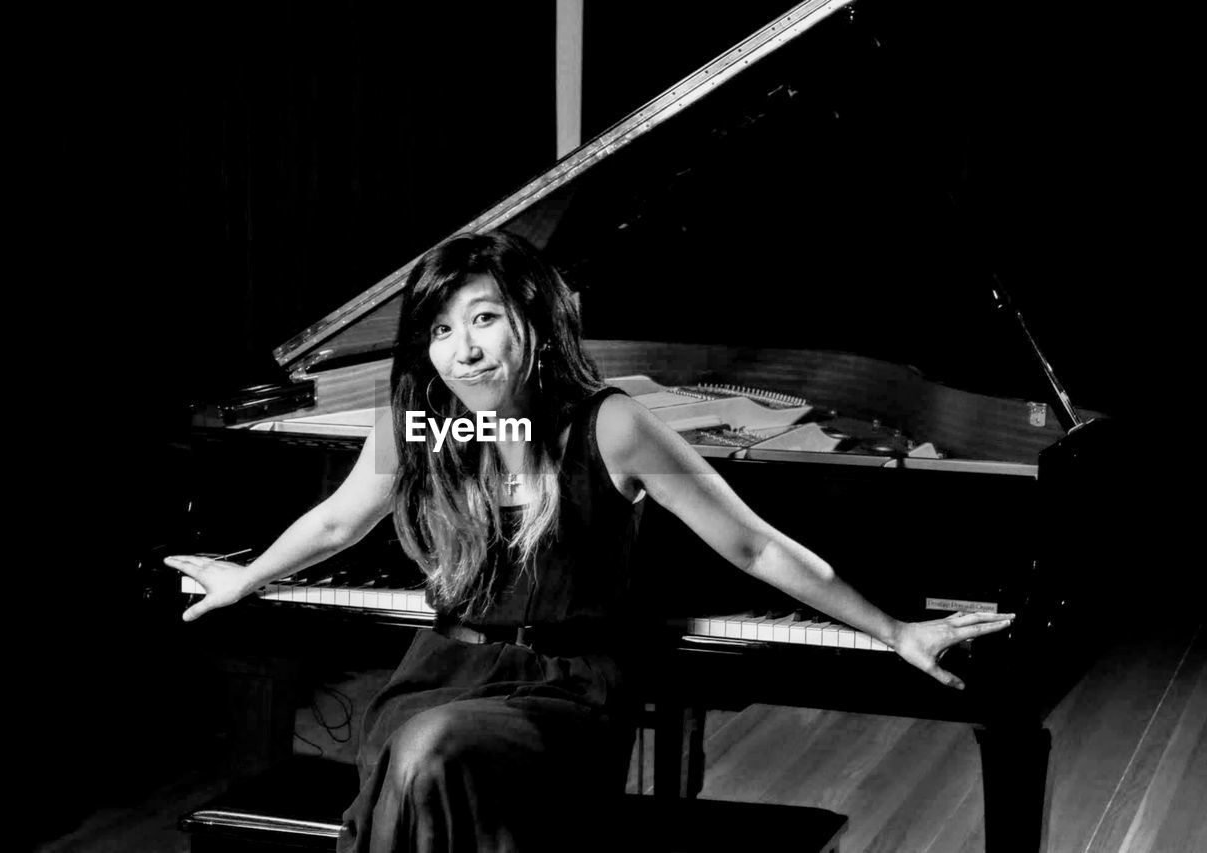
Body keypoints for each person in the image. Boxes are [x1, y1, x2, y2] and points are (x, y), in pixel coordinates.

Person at [166, 230, 1014, 852]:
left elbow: (754, 547)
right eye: (440, 331)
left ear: (532, 317)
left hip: (564, 695)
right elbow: (338, 519)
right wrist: (248, 576)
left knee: (431, 756)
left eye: (485, 319)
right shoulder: (415, 424)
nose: (463, 350)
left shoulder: (611, 427)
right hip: (441, 677)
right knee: (421, 745)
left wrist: (894, 628)